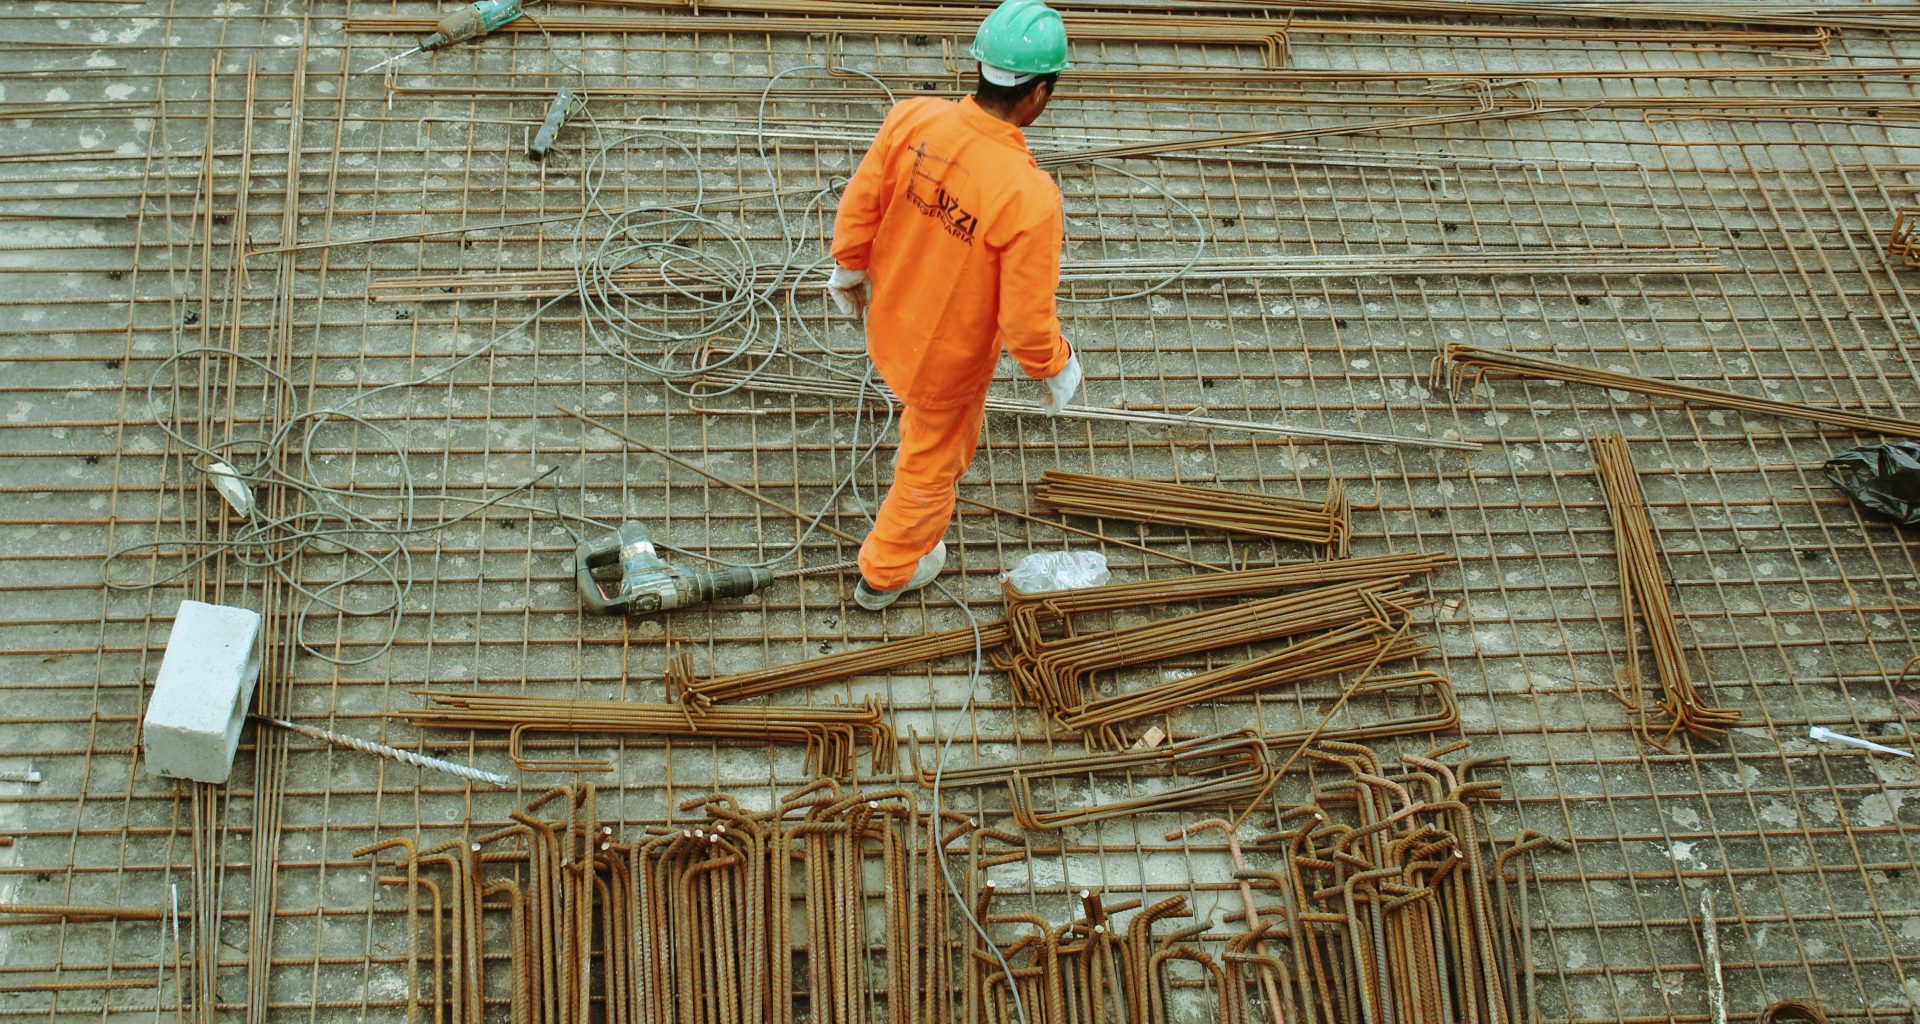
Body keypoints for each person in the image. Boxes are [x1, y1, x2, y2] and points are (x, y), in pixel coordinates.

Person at [825, 0, 1082, 612]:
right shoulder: (1029, 197)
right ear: (1039, 95)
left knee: (921, 433)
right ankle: (885, 572)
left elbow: (861, 203)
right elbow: (1025, 324)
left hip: (889, 319)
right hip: (945, 362)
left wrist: (848, 266)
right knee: (931, 465)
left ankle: (897, 554)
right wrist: (1056, 364)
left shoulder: (913, 120)